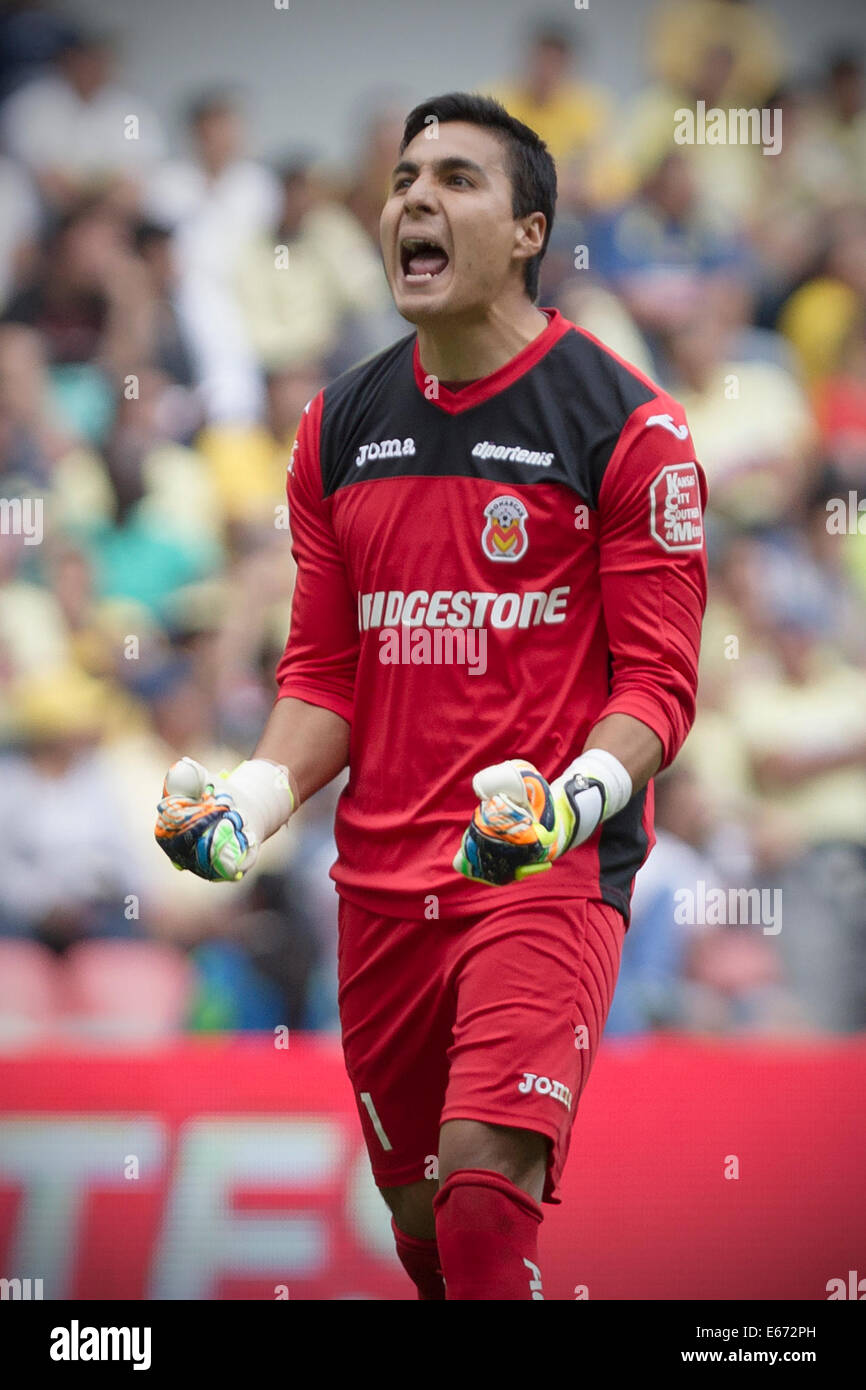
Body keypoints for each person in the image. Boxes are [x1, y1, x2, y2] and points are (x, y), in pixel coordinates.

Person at [154, 93, 707, 1300]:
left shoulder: (627, 429)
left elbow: (660, 688)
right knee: (425, 1245)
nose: (414, 196)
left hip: (541, 873)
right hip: (380, 886)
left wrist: (562, 808)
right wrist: (249, 802)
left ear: (526, 232)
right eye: (405, 176)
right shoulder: (336, 428)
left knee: (476, 1209)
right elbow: (323, 676)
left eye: (456, 179)